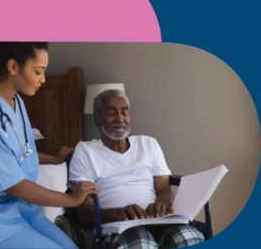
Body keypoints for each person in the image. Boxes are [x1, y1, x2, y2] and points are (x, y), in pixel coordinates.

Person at [0, 42, 97, 249]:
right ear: (13, 67)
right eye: (38, 72)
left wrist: (53, 159)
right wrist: (71, 199)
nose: (43, 79)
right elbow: (13, 184)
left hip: (22, 209)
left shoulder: (15, 101)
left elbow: (17, 152)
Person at [68, 89, 204, 248]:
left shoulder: (148, 144)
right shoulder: (85, 151)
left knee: (189, 237)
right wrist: (117, 213)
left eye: (124, 112)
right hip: (117, 228)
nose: (120, 118)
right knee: (142, 242)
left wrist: (161, 204)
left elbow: (164, 188)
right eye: (111, 113)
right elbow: (83, 211)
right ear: (98, 120)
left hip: (158, 221)